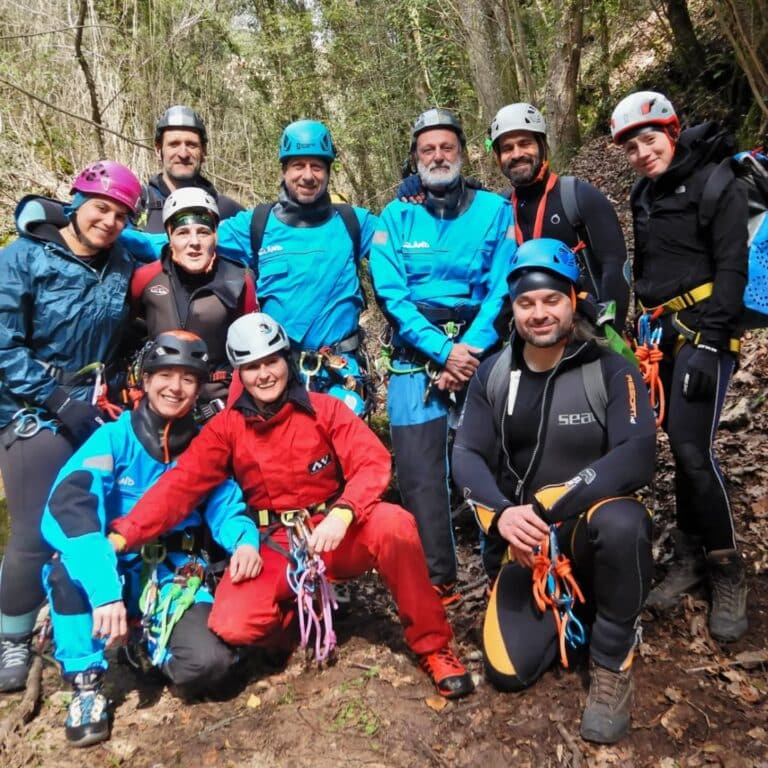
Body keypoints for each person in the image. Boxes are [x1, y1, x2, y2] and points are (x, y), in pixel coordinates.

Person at [108, 313, 475, 701]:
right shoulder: (225, 428)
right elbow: (180, 487)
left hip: (331, 530)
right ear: (238, 374)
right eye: (251, 367)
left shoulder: (325, 409)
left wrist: (344, 511)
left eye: (271, 361)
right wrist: (124, 535)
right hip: (275, 541)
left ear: (287, 360)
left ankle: (433, 646)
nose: (264, 374)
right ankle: (295, 623)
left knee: (395, 525)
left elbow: (372, 462)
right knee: (234, 624)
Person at [452, 238, 656, 744]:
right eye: (526, 303)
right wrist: (501, 515)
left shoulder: (610, 365)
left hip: (589, 531)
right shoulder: (494, 374)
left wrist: (550, 504)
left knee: (622, 522)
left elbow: (638, 453)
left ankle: (613, 656)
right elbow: (467, 456)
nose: (539, 314)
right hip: (529, 551)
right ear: (513, 309)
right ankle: (584, 606)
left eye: (551, 300)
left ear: (573, 300)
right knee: (507, 670)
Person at [41, 330, 261, 747]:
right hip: (113, 570)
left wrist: (244, 540)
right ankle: (85, 684)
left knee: (212, 668)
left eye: (188, 378)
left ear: (198, 388)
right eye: (165, 374)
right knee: (64, 570)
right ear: (145, 379)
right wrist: (105, 589)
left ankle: (147, 644)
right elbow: (70, 508)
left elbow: (225, 505)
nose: (174, 387)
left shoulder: (203, 446)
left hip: (174, 576)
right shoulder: (112, 439)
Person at [610, 91, 749, 641]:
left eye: (650, 140)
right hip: (658, 336)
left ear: (673, 131)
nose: (643, 153)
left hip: (704, 333)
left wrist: (713, 343)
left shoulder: (718, 183)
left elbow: (732, 269)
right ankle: (691, 554)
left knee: (693, 449)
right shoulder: (643, 192)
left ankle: (727, 567)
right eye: (632, 147)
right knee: (677, 440)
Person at [0, 161, 142, 691]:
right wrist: (55, 396)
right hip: (28, 408)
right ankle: (11, 637)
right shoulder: (22, 258)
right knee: (39, 529)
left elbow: (169, 240)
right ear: (75, 201)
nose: (109, 221)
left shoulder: (123, 260)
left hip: (95, 404)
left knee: (106, 518)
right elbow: (2, 344)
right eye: (101, 207)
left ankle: (96, 628)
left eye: (121, 214)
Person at [121, 119, 377, 415]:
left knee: (344, 455)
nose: (307, 176)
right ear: (284, 169)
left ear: (329, 170)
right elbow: (176, 243)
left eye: (317, 166)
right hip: (277, 371)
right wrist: (104, 229)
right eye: (298, 166)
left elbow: (402, 245)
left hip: (340, 371)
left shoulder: (357, 223)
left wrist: (420, 195)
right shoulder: (256, 224)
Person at [369, 107, 516, 604]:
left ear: (462, 152)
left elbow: (503, 284)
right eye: (428, 149)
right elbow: (390, 293)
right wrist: (442, 350)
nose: (438, 156)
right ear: (415, 158)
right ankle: (439, 576)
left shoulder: (496, 211)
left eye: (446, 147)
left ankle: (504, 565)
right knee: (417, 466)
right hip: (416, 353)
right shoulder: (395, 217)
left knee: (494, 457)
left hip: (480, 350)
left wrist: (467, 350)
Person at [398, 103, 630, 330]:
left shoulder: (578, 197)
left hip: (584, 331)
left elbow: (616, 267)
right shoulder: (499, 208)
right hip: (527, 336)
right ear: (498, 157)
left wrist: (610, 332)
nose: (517, 154)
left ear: (542, 146)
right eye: (507, 148)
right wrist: (419, 184)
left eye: (525, 144)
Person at [129, 187, 257, 415]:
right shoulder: (146, 279)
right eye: (183, 233)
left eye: (204, 232)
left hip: (215, 401)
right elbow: (124, 333)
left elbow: (250, 351)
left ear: (216, 235)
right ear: (169, 236)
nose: (194, 242)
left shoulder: (239, 282)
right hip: (159, 398)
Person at [139, 105, 244, 233]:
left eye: (191, 145)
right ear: (158, 150)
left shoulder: (229, 211)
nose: (183, 154)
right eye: (174, 144)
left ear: (204, 151)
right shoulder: (138, 205)